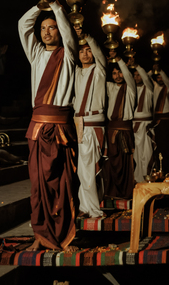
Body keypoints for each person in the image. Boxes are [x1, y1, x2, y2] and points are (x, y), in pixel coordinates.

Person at [18, 0, 79, 251]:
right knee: (38, 187)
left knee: (64, 185)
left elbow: (68, 31)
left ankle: (66, 236)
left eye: (51, 28)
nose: (46, 32)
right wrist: (39, 5)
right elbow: (23, 25)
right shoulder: (36, 55)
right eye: (43, 28)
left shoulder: (69, 55)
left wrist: (55, 5)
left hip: (60, 130)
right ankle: (40, 235)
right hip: (37, 129)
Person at [73, 29, 106, 218]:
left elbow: (99, 53)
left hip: (93, 123)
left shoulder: (99, 69)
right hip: (79, 123)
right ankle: (85, 206)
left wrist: (87, 36)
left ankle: (92, 208)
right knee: (82, 170)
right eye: (82, 51)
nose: (86, 54)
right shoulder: (77, 72)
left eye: (88, 50)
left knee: (90, 167)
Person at [103, 51, 136, 199]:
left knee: (125, 163)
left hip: (124, 130)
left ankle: (126, 193)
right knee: (112, 163)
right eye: (115, 73)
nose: (117, 76)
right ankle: (113, 193)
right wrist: (108, 62)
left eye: (120, 73)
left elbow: (129, 76)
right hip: (111, 130)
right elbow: (100, 76)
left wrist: (119, 59)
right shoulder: (110, 87)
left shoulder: (130, 89)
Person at [131, 59, 154, 183]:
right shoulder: (131, 89)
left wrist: (137, 65)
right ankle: (138, 181)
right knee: (136, 156)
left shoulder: (149, 88)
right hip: (134, 125)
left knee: (147, 154)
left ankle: (148, 179)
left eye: (138, 74)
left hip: (146, 125)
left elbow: (146, 78)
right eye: (134, 75)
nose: (136, 77)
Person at [149, 66, 169, 173]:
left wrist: (160, 70)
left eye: (161, 77)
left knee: (167, 146)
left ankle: (168, 169)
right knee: (158, 146)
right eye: (158, 77)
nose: (160, 79)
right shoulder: (154, 87)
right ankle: (160, 169)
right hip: (156, 121)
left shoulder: (168, 88)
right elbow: (145, 77)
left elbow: (167, 81)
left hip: (166, 121)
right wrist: (152, 70)